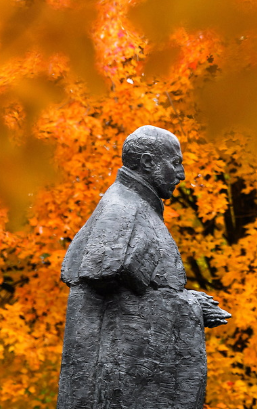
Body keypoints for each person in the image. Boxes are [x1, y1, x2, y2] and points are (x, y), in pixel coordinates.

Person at [57, 125, 230, 409]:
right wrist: (189, 306)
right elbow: (103, 272)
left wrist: (186, 300)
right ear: (149, 162)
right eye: (175, 164)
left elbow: (133, 287)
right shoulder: (122, 209)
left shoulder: (138, 208)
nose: (182, 175)